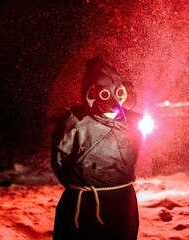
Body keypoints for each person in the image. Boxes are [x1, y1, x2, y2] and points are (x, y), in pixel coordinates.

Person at [50, 56, 142, 240]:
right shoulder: (74, 122)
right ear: (91, 93)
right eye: (103, 94)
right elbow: (58, 161)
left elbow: (134, 154)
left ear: (123, 92)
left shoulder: (132, 121)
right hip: (83, 204)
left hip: (122, 204)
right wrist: (77, 184)